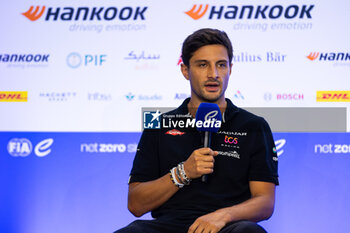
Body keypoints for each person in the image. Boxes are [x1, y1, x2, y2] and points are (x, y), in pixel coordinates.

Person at [115, 28, 279, 233]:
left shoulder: (253, 126)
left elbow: (265, 202)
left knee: (248, 232)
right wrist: (183, 172)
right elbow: (136, 204)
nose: (214, 74)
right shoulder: (159, 125)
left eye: (221, 65)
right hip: (169, 226)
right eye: (203, 65)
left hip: (227, 226)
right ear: (185, 70)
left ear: (230, 69)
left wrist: (223, 215)